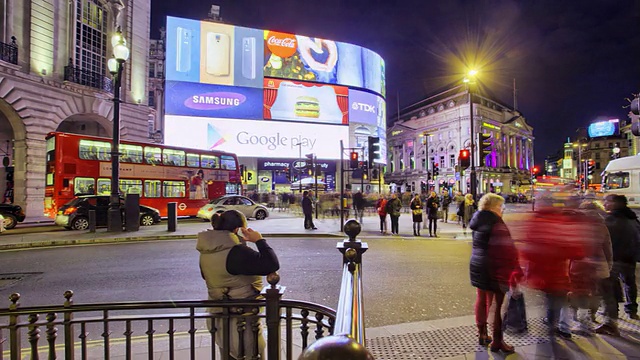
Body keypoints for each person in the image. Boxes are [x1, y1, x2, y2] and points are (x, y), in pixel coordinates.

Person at [197, 210, 280, 359]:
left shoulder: (207, 250)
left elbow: (206, 276)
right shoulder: (236, 252)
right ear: (238, 229)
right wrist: (259, 240)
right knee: (249, 353)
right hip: (242, 323)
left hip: (220, 317)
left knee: (227, 353)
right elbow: (271, 264)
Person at [469, 194, 522, 353]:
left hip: (478, 265)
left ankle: (482, 334)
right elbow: (507, 250)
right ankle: (498, 341)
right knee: (498, 306)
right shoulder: (497, 224)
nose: (503, 210)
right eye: (501, 207)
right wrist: (516, 269)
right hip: (495, 267)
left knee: (482, 300)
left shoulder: (478, 220)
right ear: (492, 207)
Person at [595, 194, 639, 335]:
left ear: (615, 203)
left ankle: (610, 321)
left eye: (607, 201)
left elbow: (605, 241)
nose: (605, 204)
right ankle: (631, 310)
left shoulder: (611, 220)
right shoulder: (633, 219)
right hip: (630, 258)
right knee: (629, 283)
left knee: (610, 290)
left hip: (616, 259)